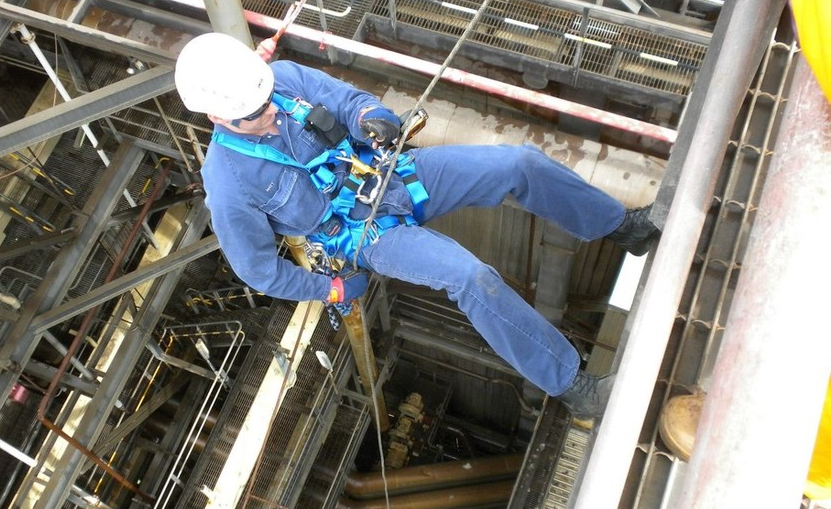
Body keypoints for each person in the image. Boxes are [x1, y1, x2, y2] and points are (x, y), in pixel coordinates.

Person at [173, 32, 659, 418]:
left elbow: (348, 100)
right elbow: (256, 268)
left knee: (518, 164)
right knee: (470, 277)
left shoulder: (279, 79)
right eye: (257, 113)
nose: (272, 108)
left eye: (267, 98)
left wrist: (373, 119)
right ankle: (574, 386)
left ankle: (622, 228)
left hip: (395, 175)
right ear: (219, 115)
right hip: (367, 233)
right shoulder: (229, 183)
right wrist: (332, 290)